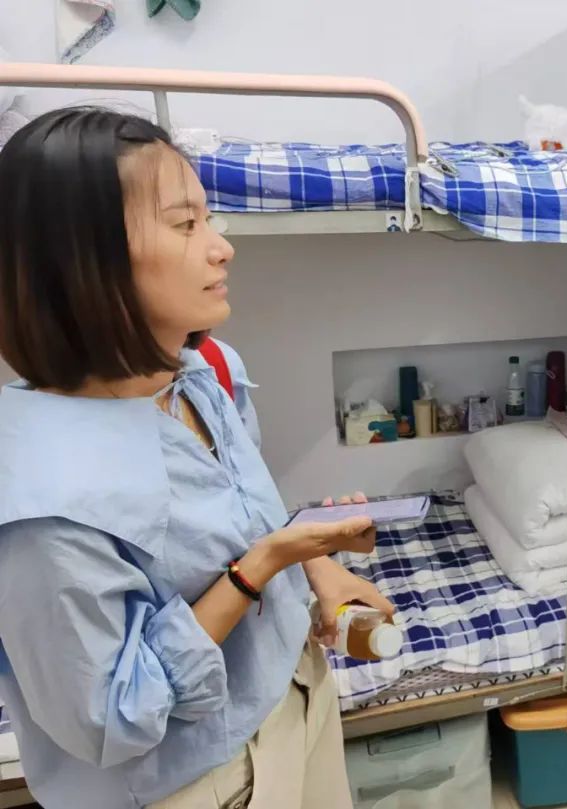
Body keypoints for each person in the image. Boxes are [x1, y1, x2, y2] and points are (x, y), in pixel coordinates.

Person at [0, 108, 393, 809]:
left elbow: (247, 513)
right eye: (186, 225)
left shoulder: (205, 371)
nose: (221, 248)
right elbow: (116, 715)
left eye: (209, 219)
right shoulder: (40, 502)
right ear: (82, 261)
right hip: (198, 779)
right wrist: (258, 568)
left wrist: (317, 566)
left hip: (297, 690)